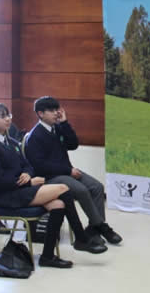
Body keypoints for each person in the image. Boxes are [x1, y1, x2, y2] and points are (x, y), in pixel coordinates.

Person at [0, 104, 107, 268]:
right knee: (63, 188)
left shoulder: (11, 141)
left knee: (58, 204)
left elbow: (28, 165)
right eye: (2, 116)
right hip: (5, 196)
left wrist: (27, 174)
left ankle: (47, 256)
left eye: (8, 114)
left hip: (20, 189)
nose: (8, 118)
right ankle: (81, 238)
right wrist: (28, 181)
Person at [26, 96, 122, 245]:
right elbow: (41, 166)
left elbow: (73, 144)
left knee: (97, 187)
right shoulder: (35, 136)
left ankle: (93, 229)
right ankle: (101, 226)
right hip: (50, 178)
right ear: (40, 113)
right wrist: (68, 171)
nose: (56, 113)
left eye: (57, 109)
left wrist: (64, 123)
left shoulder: (57, 128)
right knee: (82, 190)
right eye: (51, 111)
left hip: (66, 172)